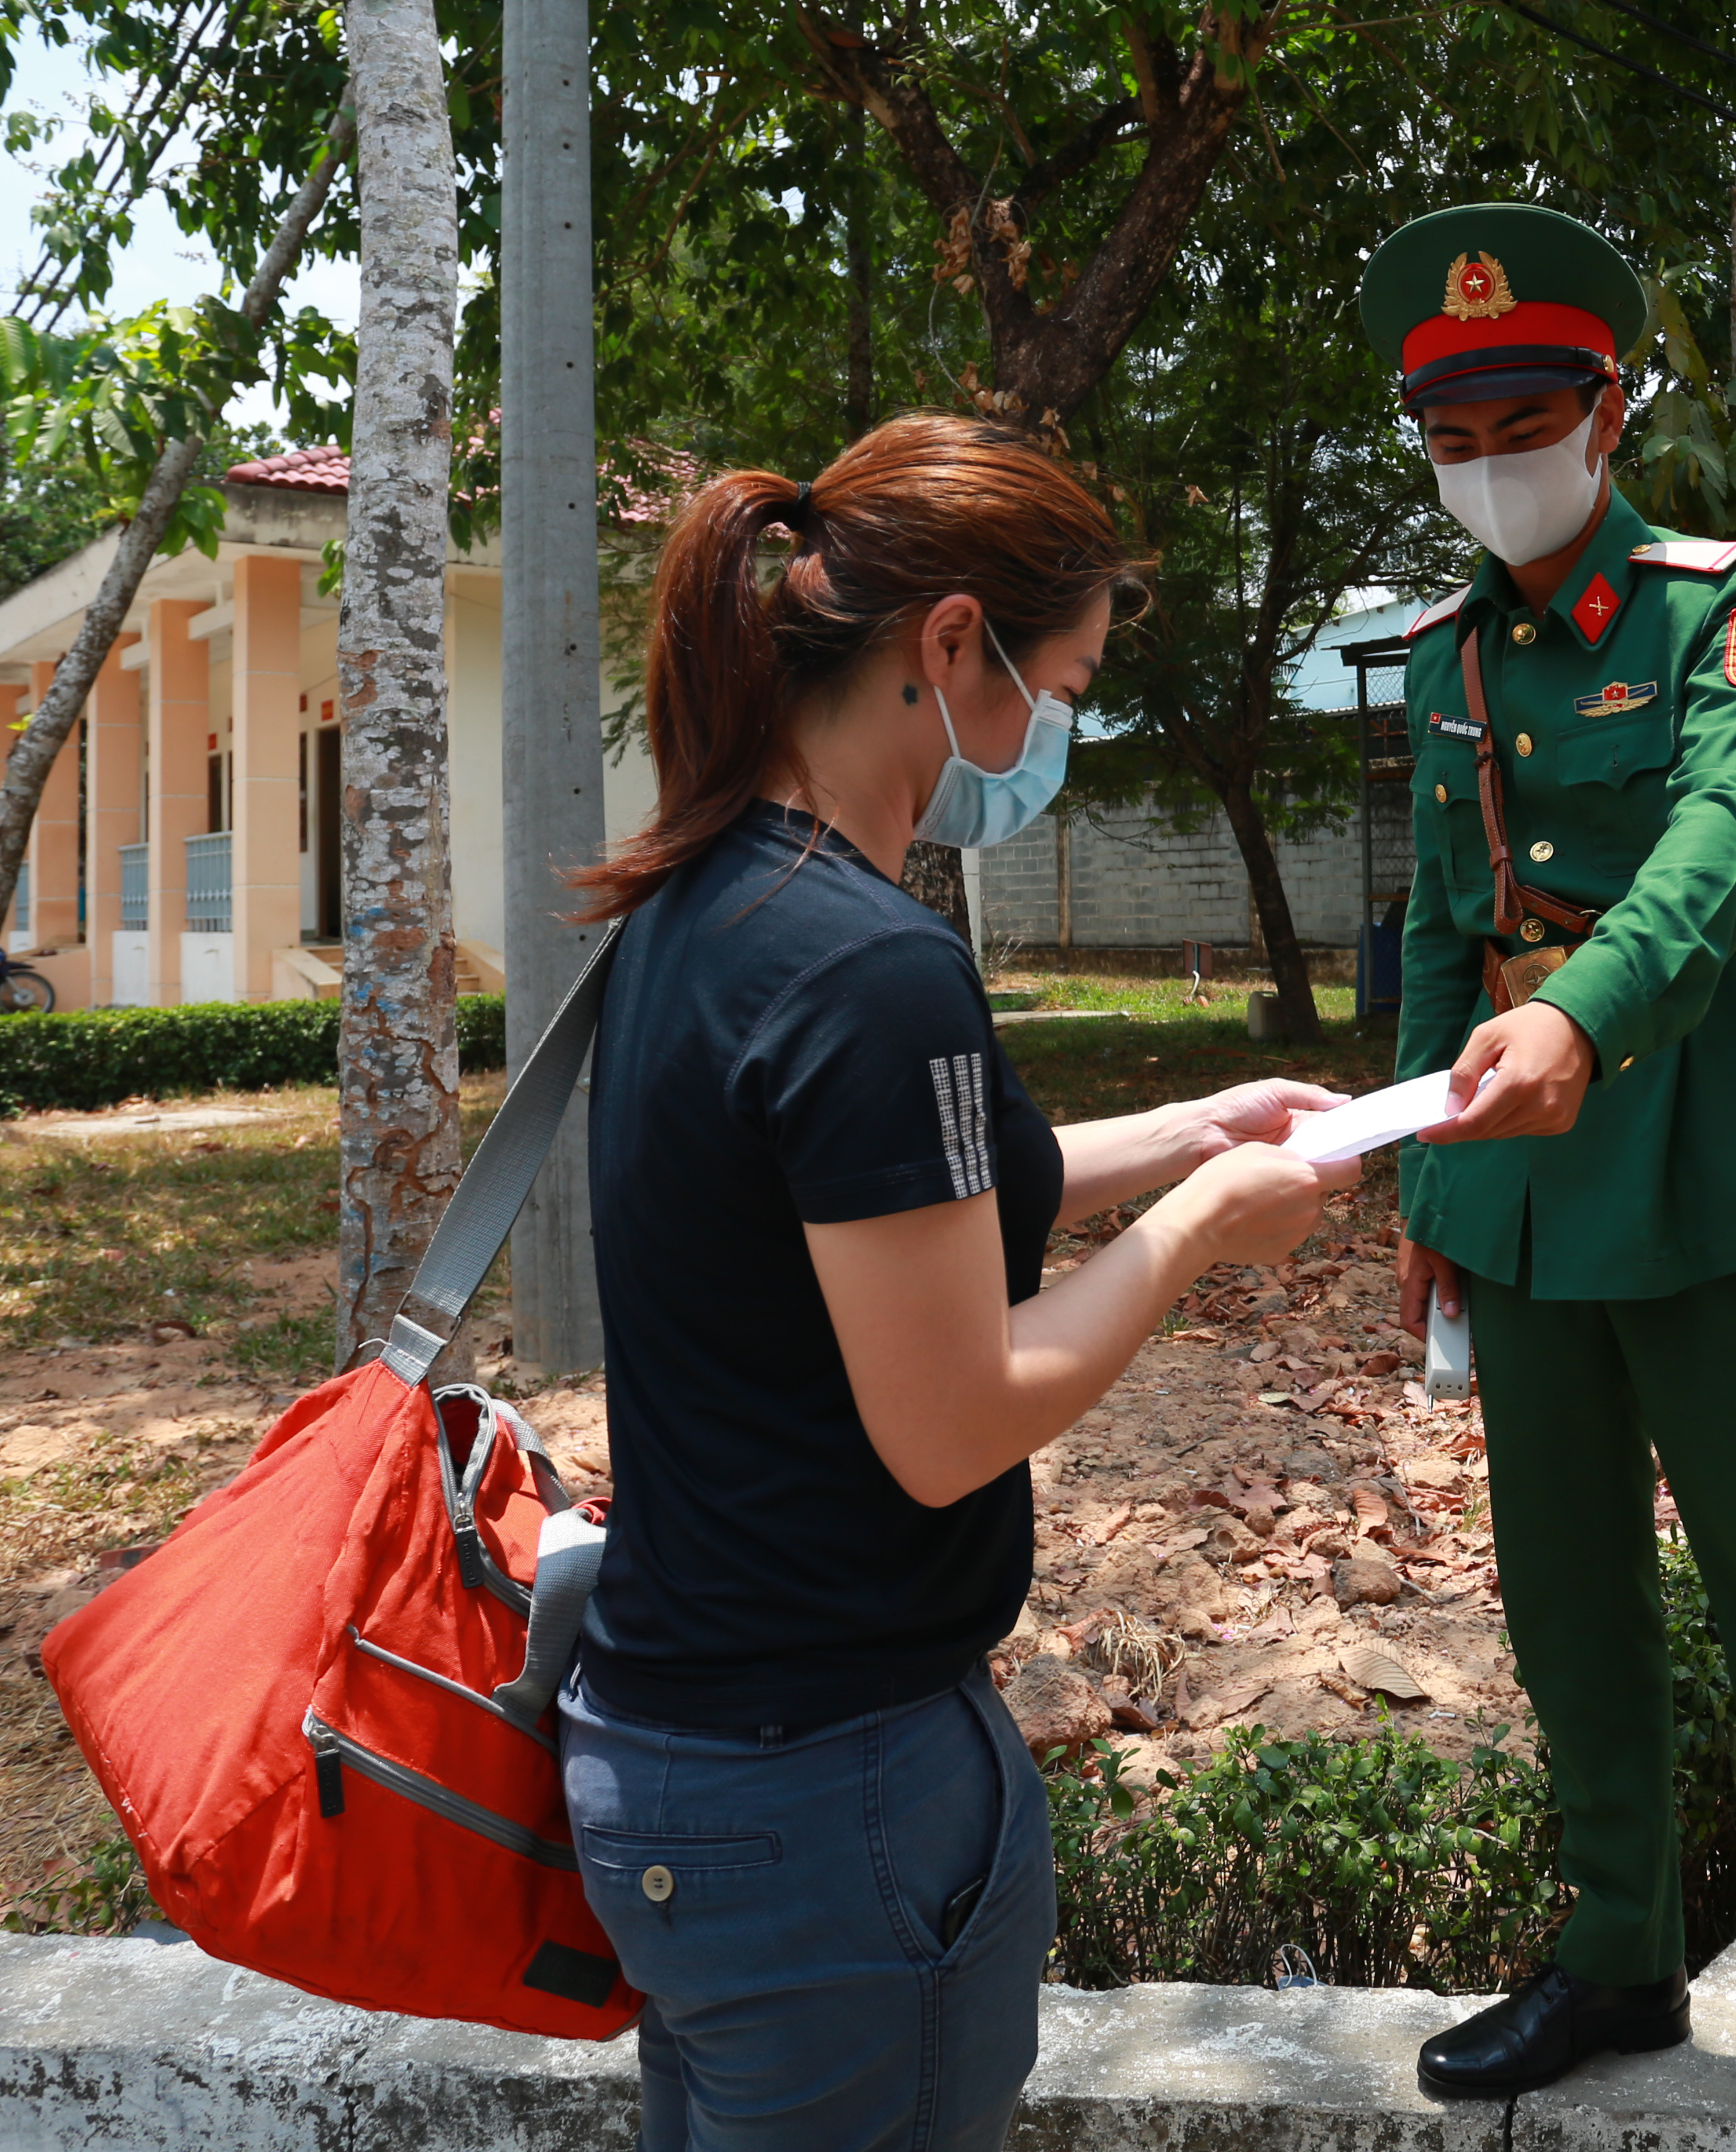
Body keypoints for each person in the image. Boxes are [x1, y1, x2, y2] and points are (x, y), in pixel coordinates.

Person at [558, 413, 1353, 2152]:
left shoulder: (711, 907)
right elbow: (950, 1421)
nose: (1047, 731)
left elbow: (898, 1214)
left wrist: (1191, 1123)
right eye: (1055, 686)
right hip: (825, 1789)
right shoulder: (873, 967)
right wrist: (1210, 1222)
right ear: (947, 645)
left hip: (685, 1760)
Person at [1369, 205, 1736, 2152]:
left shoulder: (1731, 606)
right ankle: (1617, 1952)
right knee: (1568, 1603)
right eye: (1446, 439)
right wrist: (1424, 1198)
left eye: (1519, 420)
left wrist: (1583, 1020)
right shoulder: (1448, 657)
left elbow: (1721, 846)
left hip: (1707, 1172)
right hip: (1524, 1210)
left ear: (1608, 410)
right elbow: (1442, 930)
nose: (1484, 467)